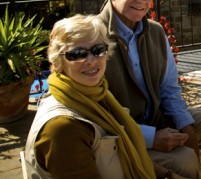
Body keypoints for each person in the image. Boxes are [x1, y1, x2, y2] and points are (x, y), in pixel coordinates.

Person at [99, 0, 201, 179]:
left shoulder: (155, 32)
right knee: (185, 158)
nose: (142, 0)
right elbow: (98, 115)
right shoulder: (94, 38)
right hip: (122, 135)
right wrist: (150, 137)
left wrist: (186, 126)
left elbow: (169, 88)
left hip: (156, 118)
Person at [24, 14, 162, 178]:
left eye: (98, 50)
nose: (91, 60)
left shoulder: (93, 92)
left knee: (184, 160)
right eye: (77, 54)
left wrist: (166, 173)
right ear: (58, 61)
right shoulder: (62, 128)